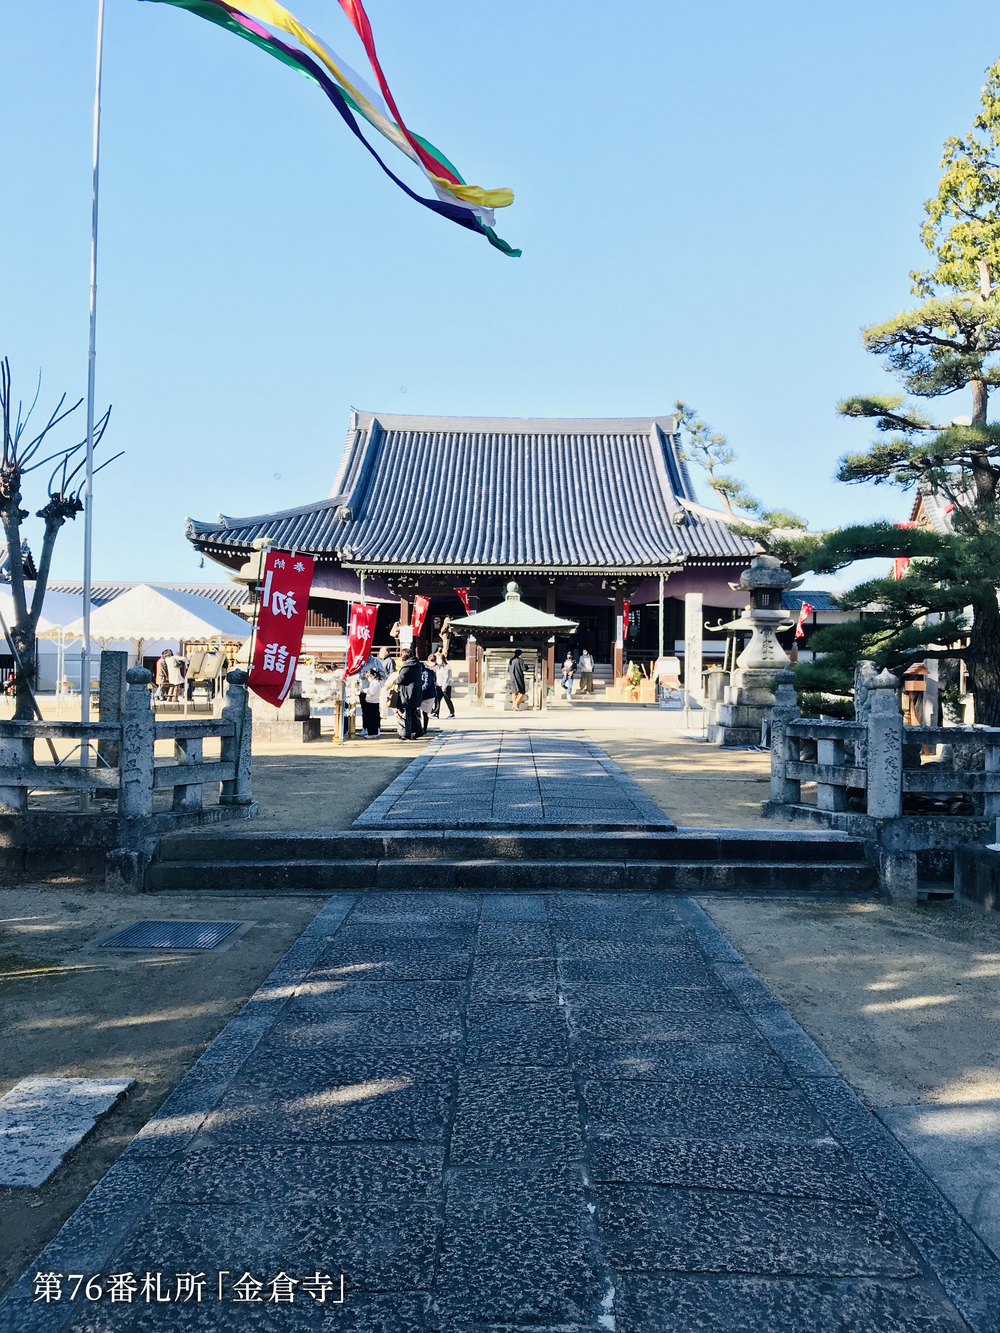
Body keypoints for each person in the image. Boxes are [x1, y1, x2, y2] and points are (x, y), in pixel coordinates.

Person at [395, 649, 423, 739]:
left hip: (407, 693)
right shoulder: (417, 664)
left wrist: (394, 680)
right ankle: (418, 731)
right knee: (413, 712)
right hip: (415, 692)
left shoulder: (407, 666)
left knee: (406, 713)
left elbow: (400, 679)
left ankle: (406, 733)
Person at [360, 668, 382, 737]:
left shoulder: (375, 683)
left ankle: (372, 733)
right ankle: (371, 732)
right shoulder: (373, 683)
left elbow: (372, 692)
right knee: (371, 718)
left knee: (372, 718)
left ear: (371, 676)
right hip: (371, 701)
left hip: (373, 702)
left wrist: (365, 690)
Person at [419, 657, 437, 734]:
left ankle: (424, 728)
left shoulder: (426, 673)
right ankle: (422, 728)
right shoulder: (423, 672)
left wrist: (419, 689)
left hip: (428, 695)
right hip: (424, 695)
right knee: (422, 712)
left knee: (425, 712)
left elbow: (427, 684)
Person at [434, 652, 455, 718]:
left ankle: (452, 713)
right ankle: (436, 712)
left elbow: (446, 678)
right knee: (437, 699)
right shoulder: (437, 667)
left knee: (447, 699)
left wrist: (444, 687)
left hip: (446, 686)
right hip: (438, 685)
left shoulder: (447, 668)